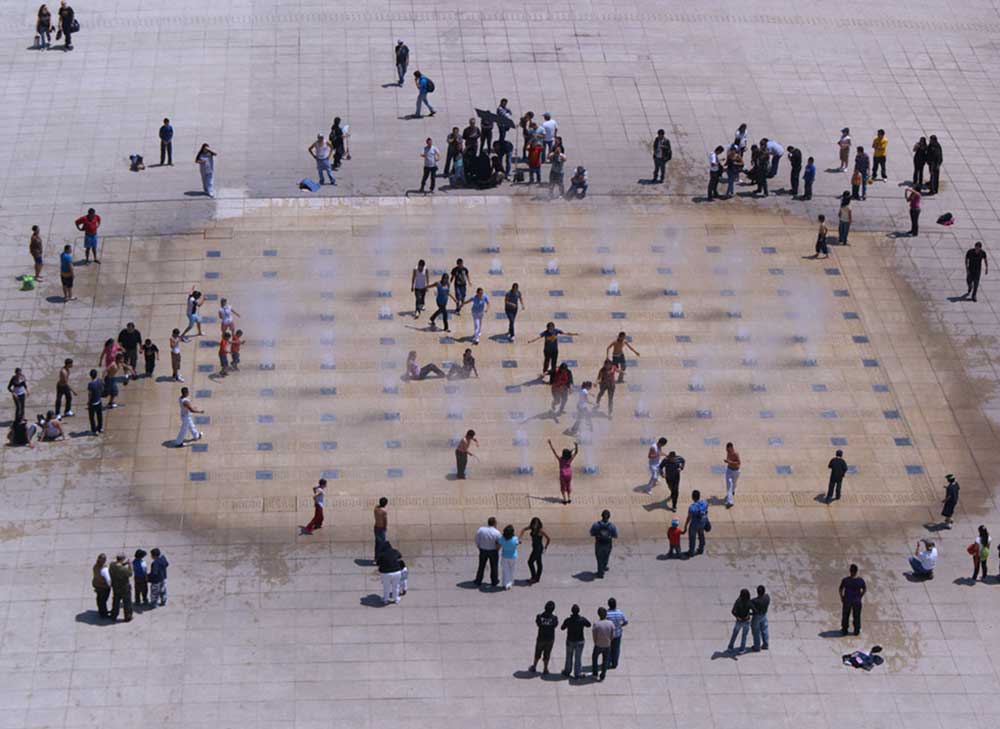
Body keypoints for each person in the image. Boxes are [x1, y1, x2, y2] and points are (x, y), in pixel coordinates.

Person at [560, 605, 591, 679]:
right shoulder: (582, 619)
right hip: (580, 641)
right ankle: (577, 673)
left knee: (569, 656)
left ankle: (567, 671)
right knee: (578, 658)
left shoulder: (568, 620)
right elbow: (589, 624)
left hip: (570, 640)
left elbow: (562, 628)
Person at [530, 601, 558, 673]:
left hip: (541, 638)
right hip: (550, 639)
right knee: (547, 654)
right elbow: (555, 625)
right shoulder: (554, 618)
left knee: (537, 653)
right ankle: (545, 668)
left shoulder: (539, 616)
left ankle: (534, 666)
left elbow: (538, 624)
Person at [473, 517, 502, 587]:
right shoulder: (497, 532)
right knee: (494, 566)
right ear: (495, 523)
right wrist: (497, 550)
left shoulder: (481, 530)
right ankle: (494, 581)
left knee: (481, 566)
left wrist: (479, 547)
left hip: (483, 550)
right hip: (493, 551)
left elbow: (476, 540)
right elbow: (499, 543)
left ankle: (478, 580)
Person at [520, 517, 550, 584]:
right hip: (534, 547)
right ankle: (537, 578)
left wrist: (545, 548)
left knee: (530, 562)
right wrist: (520, 538)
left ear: (538, 524)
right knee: (538, 562)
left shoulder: (540, 530)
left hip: (538, 548)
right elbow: (523, 529)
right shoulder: (531, 527)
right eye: (534, 524)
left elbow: (548, 539)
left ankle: (534, 577)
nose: (535, 526)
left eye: (536, 524)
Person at [548, 439, 578, 504]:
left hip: (563, 475)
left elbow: (554, 452)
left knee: (562, 487)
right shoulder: (569, 459)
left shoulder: (560, 459)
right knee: (568, 485)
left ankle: (564, 500)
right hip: (569, 474)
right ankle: (569, 498)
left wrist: (550, 444)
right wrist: (576, 446)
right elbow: (576, 453)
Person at [589, 510, 618, 578]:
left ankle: (600, 573)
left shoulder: (596, 525)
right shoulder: (612, 526)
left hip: (599, 544)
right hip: (608, 544)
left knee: (599, 558)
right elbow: (615, 536)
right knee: (606, 556)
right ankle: (604, 566)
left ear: (601, 515)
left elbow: (591, 533)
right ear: (609, 517)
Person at [839, 564, 865, 635]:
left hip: (847, 600)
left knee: (845, 615)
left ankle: (844, 630)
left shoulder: (846, 580)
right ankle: (856, 630)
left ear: (850, 571)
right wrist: (860, 596)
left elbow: (840, 589)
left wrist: (842, 597)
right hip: (857, 601)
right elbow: (864, 589)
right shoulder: (860, 580)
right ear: (856, 571)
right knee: (856, 616)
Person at [590, 607, 614, 681]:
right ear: (606, 614)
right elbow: (612, 634)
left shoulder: (596, 624)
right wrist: (609, 640)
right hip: (607, 645)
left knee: (594, 658)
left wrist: (596, 642)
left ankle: (595, 673)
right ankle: (603, 675)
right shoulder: (610, 623)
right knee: (605, 660)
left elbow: (594, 635)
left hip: (598, 645)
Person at [108, 553, 134, 622]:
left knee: (116, 601)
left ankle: (114, 615)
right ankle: (128, 616)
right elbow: (130, 573)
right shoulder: (124, 570)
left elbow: (118, 565)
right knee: (127, 603)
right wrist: (130, 565)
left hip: (116, 587)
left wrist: (124, 563)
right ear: (122, 559)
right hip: (124, 589)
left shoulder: (112, 565)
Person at [684, 489, 709, 557]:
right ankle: (701, 548)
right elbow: (706, 510)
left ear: (692, 497)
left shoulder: (692, 507)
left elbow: (689, 517)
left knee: (692, 537)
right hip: (702, 522)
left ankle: (691, 551)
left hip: (694, 524)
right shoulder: (704, 502)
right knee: (701, 535)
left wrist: (686, 525)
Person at [605, 598, 628, 669]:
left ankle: (608, 663)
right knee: (616, 649)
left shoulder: (606, 613)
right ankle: (614, 663)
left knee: (608, 649)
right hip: (618, 634)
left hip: (609, 634)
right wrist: (620, 625)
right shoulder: (620, 613)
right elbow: (626, 621)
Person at [728, 589, 753, 653]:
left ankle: (730, 647)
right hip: (746, 621)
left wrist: (737, 617)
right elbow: (755, 611)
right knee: (744, 635)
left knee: (734, 634)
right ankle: (742, 649)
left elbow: (733, 611)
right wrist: (749, 614)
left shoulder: (738, 601)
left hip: (739, 621)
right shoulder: (749, 602)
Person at [498, 524, 518, 590]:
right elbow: (517, 543)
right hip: (513, 556)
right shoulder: (515, 539)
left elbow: (498, 542)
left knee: (505, 571)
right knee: (512, 570)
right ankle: (510, 583)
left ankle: (505, 584)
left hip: (505, 556)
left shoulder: (502, 539)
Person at [750, 585, 770, 651]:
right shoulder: (767, 597)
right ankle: (766, 644)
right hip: (764, 615)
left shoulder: (754, 601)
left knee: (756, 631)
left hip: (756, 617)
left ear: (757, 592)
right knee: (764, 629)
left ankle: (757, 647)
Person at [92, 553, 111, 618]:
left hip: (97, 585)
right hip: (103, 587)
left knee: (99, 599)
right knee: (103, 600)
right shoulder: (104, 569)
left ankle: (100, 611)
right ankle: (104, 613)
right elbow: (108, 580)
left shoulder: (95, 566)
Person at [723, 442, 741, 507]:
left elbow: (739, 463)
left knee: (734, 483)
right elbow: (728, 459)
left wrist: (730, 462)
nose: (727, 451)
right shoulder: (728, 452)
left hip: (736, 471)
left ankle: (733, 490)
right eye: (726, 450)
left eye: (728, 449)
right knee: (729, 485)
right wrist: (727, 461)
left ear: (731, 448)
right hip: (729, 470)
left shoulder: (736, 453)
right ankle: (730, 501)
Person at [86, 369, 103, 434]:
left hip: (92, 403)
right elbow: (102, 389)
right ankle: (100, 428)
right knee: (99, 416)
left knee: (92, 417)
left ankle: (94, 430)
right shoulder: (99, 381)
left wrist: (88, 401)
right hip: (99, 401)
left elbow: (90, 394)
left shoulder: (90, 384)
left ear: (91, 376)